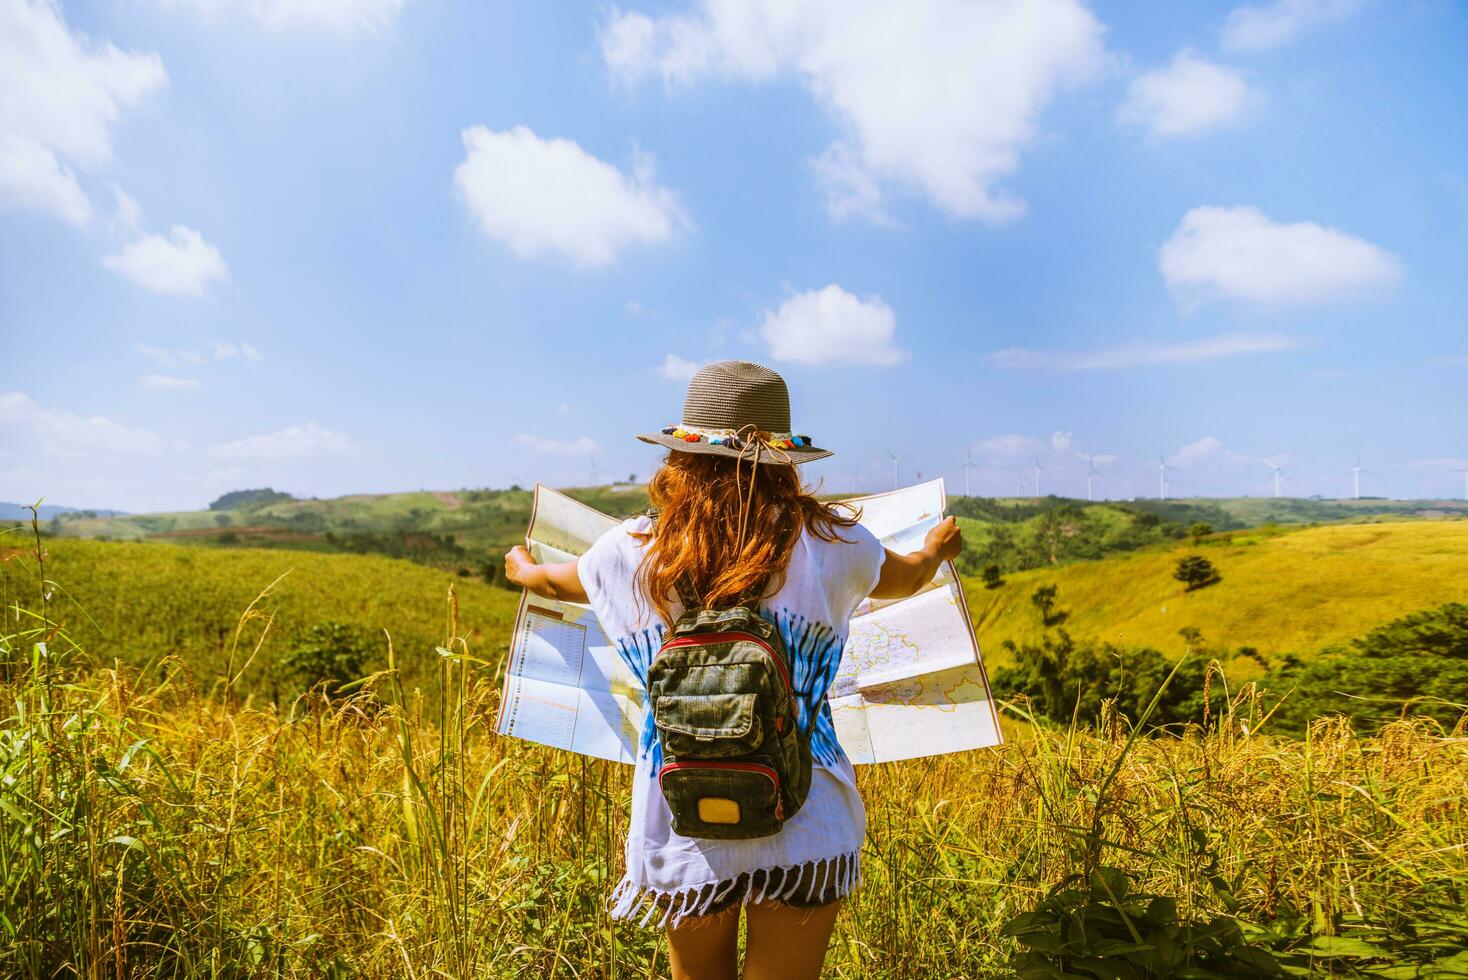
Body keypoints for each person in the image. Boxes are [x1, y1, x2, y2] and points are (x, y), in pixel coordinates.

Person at [505, 360, 961, 980]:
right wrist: (935, 549)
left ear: (681, 458)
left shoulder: (633, 551)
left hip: (682, 812)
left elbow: (559, 580)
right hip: (805, 809)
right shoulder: (835, 544)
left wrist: (523, 569)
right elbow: (908, 577)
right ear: (784, 461)